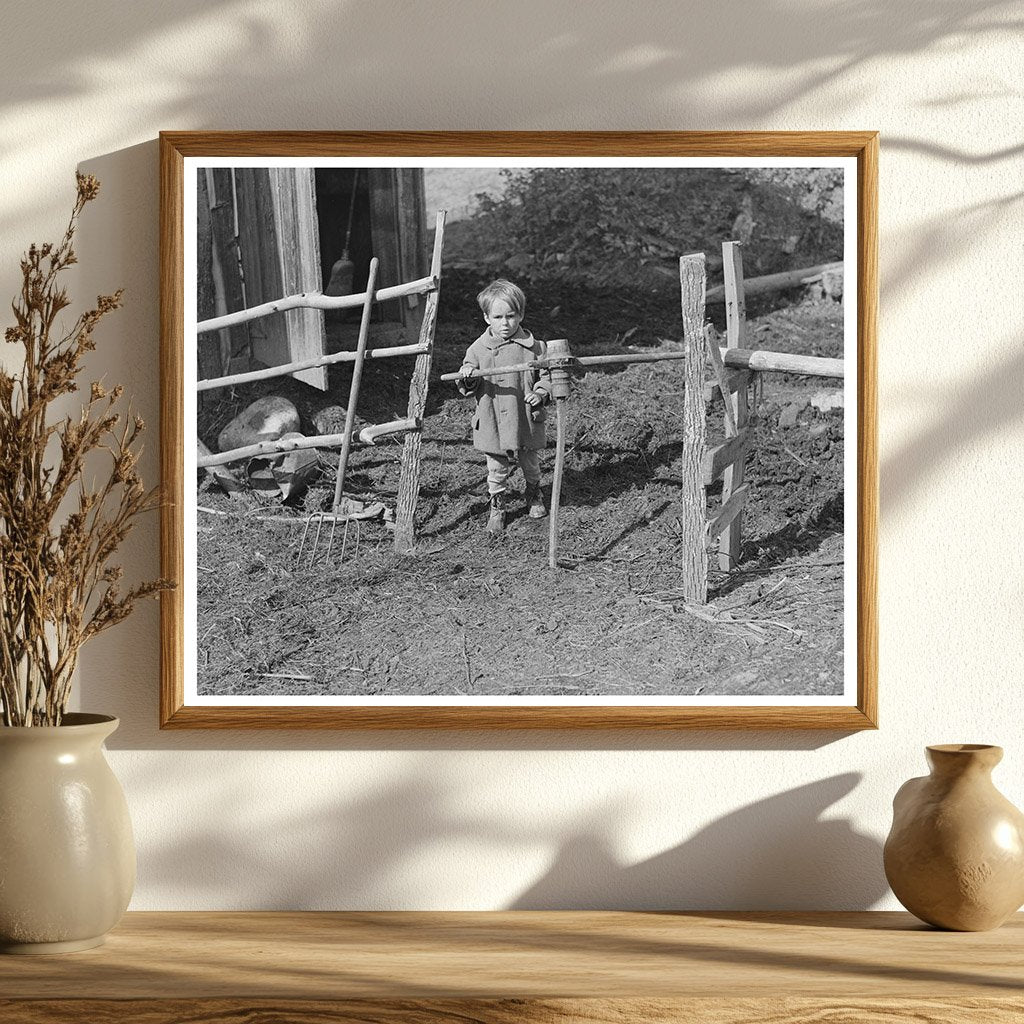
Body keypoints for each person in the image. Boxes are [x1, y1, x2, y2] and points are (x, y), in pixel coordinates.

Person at [457, 279, 551, 534]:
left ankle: (533, 494)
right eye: (497, 317)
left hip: (524, 417)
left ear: (520, 314)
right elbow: (466, 382)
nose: (505, 323)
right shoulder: (477, 349)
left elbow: (547, 377)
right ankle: (497, 506)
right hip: (493, 417)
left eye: (510, 316)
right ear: (487, 318)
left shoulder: (536, 348)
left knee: (529, 461)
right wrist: (468, 375)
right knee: (496, 468)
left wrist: (541, 393)